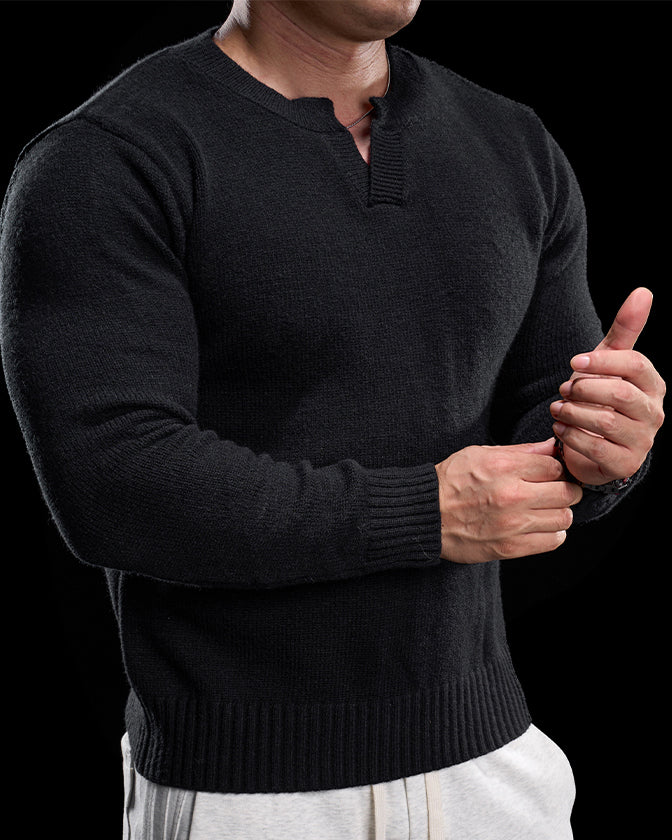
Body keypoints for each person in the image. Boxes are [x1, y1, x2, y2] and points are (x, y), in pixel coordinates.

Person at [0, 1, 665, 838]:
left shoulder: (512, 141)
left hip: (493, 771)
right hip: (248, 793)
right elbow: (114, 482)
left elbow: (551, 406)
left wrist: (606, 444)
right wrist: (422, 513)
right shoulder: (110, 156)